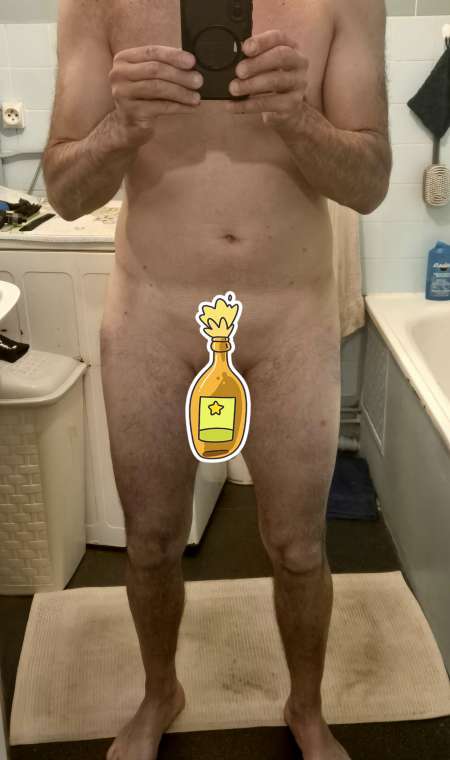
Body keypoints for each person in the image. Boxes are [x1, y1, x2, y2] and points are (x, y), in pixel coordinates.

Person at [43, 1, 391, 758]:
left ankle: (306, 708)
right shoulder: (98, 2)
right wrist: (122, 126)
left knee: (298, 546)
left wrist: (298, 118)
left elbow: (369, 183)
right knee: (150, 542)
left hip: (289, 315)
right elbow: (66, 192)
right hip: (152, 311)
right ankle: (159, 691)